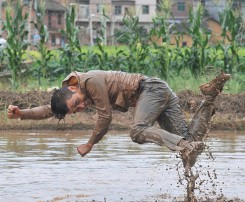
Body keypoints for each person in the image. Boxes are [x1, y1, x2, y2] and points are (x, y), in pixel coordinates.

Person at [7, 70, 230, 168]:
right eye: (77, 110)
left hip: (150, 90)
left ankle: (183, 144)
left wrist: (89, 144)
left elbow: (105, 117)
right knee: (189, 154)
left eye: (78, 103)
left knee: (137, 131)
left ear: (73, 87)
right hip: (157, 92)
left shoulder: (91, 82)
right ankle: (209, 98)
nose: (83, 107)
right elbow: (48, 110)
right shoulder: (77, 92)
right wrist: (21, 114)